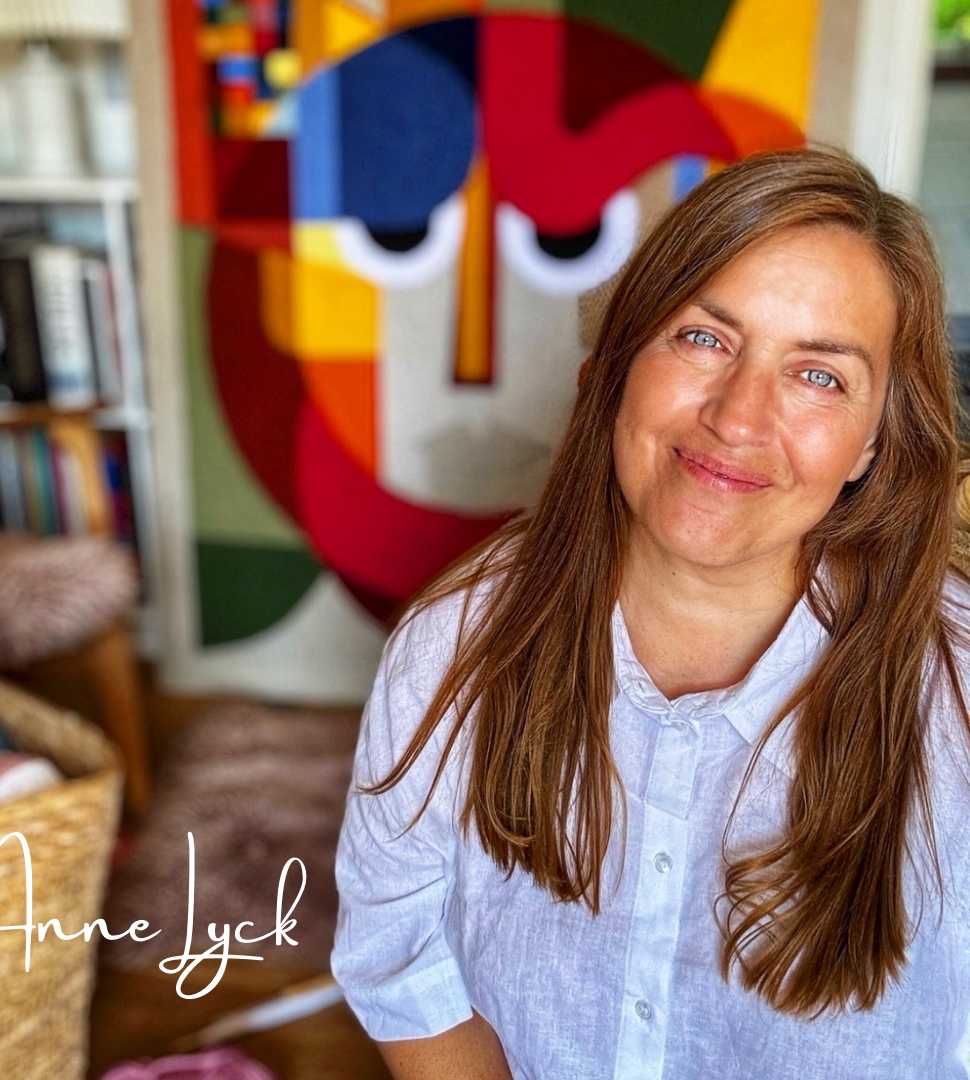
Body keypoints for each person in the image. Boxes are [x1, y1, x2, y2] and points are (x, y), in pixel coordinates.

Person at [330, 148, 970, 1079]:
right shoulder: (453, 644)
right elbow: (401, 962)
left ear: (873, 442)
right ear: (619, 362)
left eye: (820, 376)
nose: (738, 419)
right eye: (704, 338)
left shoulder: (955, 691)